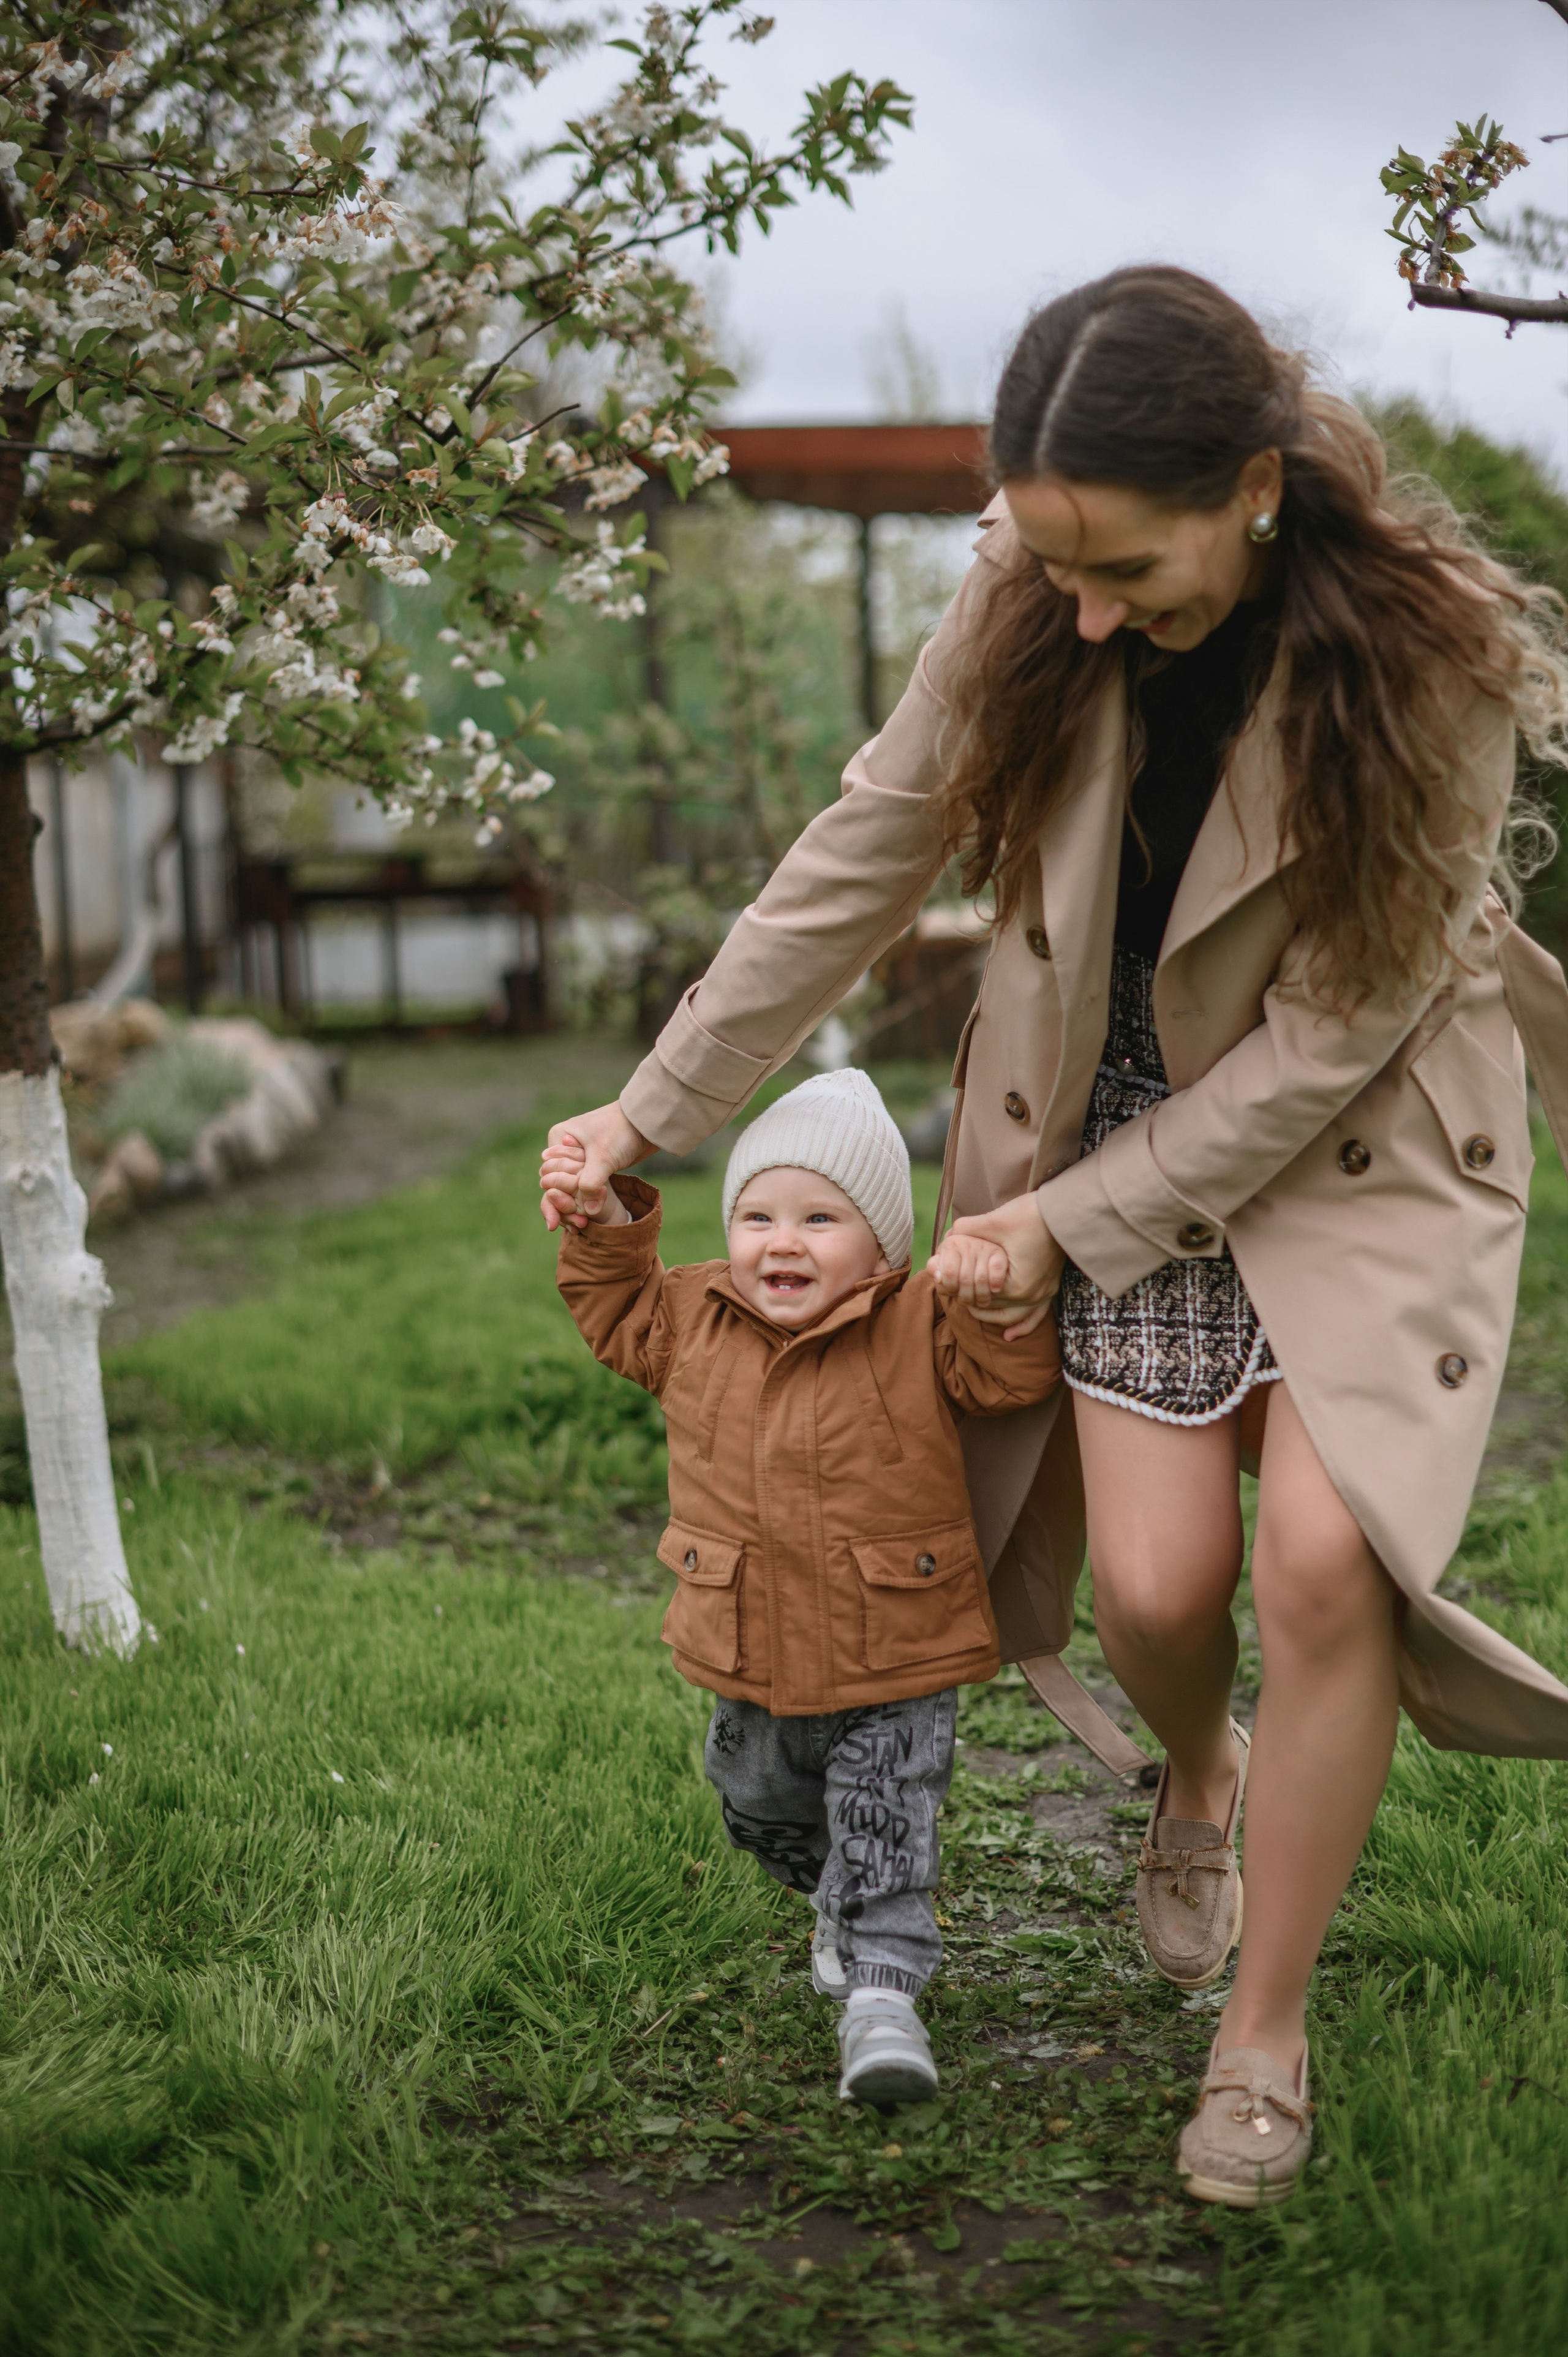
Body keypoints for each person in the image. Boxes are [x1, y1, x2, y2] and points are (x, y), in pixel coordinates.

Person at [540, 266, 1568, 2206]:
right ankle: (1200, 1775)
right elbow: (861, 854)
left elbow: (1330, 1044)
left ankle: (1263, 2037)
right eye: (1049, 562)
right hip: (1105, 1120)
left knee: (1328, 1570)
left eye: (1123, 569)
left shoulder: (1431, 663)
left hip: (1361, 1146)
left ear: (1256, 485)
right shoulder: (1027, 587)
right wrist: (652, 1111)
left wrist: (1062, 1230)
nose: (1083, 615)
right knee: (1163, 1598)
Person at [544, 1067, 1061, 2106]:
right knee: (757, 1806)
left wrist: (992, 1292)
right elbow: (611, 1312)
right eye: (757, 1214)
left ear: (883, 1247)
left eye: (820, 1218)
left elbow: (1011, 1377)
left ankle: (885, 2008)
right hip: (750, 1646)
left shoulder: (919, 1323)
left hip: (897, 1650)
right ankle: (840, 1896)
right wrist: (600, 1217)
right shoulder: (689, 1317)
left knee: (884, 1824)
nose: (782, 1240)